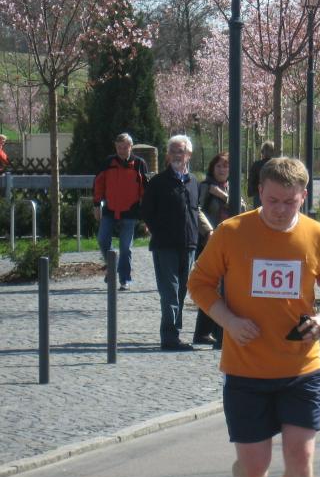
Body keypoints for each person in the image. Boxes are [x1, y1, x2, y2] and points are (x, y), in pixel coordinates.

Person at [187, 157, 320, 477]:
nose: (280, 209)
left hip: (301, 367)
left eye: (289, 202)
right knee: (254, 468)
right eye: (273, 200)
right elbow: (199, 283)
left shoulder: (317, 235)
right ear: (260, 191)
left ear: (303, 196)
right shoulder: (232, 232)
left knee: (300, 458)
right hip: (246, 369)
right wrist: (229, 321)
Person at [141, 135, 211, 351]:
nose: (176, 155)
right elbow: (147, 212)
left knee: (181, 291)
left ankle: (175, 332)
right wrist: (160, 231)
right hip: (165, 246)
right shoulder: (158, 182)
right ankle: (169, 337)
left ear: (189, 154)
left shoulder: (194, 182)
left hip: (188, 244)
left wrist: (206, 232)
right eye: (172, 151)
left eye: (180, 151)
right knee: (169, 291)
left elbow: (195, 210)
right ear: (167, 155)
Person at [92, 133, 148, 291]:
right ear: (115, 147)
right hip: (110, 209)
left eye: (125, 147)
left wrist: (146, 214)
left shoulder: (139, 164)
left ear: (131, 147)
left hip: (130, 211)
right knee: (102, 239)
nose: (122, 150)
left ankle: (125, 279)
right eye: (119, 147)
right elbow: (98, 184)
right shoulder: (108, 162)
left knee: (125, 247)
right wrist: (96, 205)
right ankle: (112, 264)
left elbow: (145, 189)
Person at [193, 152, 235, 348]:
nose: (222, 170)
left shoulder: (230, 187)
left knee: (223, 287)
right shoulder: (205, 186)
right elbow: (197, 209)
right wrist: (208, 231)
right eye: (219, 166)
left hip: (230, 243)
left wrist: (224, 196)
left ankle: (206, 331)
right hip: (209, 242)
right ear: (212, 168)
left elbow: (241, 208)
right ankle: (212, 333)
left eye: (226, 166)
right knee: (213, 286)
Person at [247, 140, 275, 208]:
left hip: (259, 195)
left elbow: (251, 180)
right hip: (274, 195)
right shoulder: (277, 165)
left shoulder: (256, 165)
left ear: (262, 152)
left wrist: (251, 192)